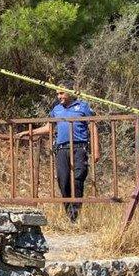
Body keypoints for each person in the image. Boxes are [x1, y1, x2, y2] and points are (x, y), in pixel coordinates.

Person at [17, 86, 100, 222]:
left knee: (78, 178)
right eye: (57, 94)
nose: (59, 96)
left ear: (70, 92)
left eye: (62, 93)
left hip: (79, 148)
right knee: (63, 180)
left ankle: (75, 214)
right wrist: (29, 132)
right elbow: (49, 127)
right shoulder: (56, 109)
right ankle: (69, 212)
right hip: (62, 149)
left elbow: (93, 126)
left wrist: (96, 150)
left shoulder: (83, 106)